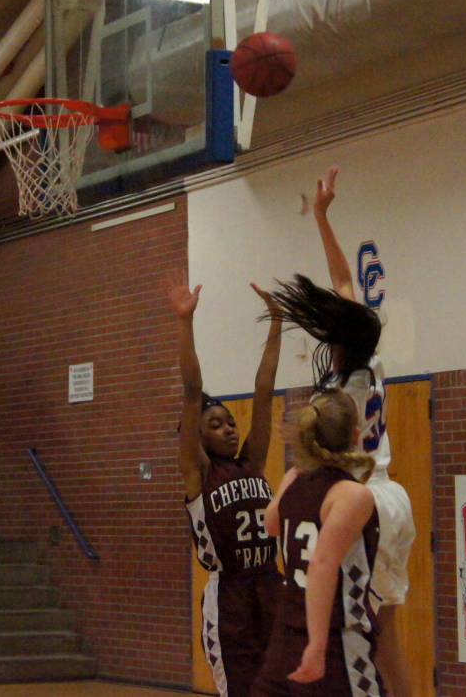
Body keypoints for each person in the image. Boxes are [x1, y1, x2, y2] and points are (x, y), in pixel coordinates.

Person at [265, 165, 417, 696]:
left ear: (337, 341)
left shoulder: (336, 399)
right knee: (386, 635)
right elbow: (345, 285)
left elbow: (323, 456)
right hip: (393, 496)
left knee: (350, 632)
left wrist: (288, 490)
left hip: (361, 501)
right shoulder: (370, 362)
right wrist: (324, 217)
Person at [166, 275, 285, 697]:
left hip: (271, 584)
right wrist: (186, 322)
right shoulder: (198, 475)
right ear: (198, 437)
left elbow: (264, 392)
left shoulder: (251, 462)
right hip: (230, 593)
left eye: (230, 421)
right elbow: (191, 390)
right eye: (215, 425)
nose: (229, 429)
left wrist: (276, 323)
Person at [251, 388, 382, 695]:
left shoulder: (294, 480)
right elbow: (321, 565)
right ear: (355, 435)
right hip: (335, 634)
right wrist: (317, 645)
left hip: (285, 632)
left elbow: (271, 524)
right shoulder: (351, 494)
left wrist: (291, 475)